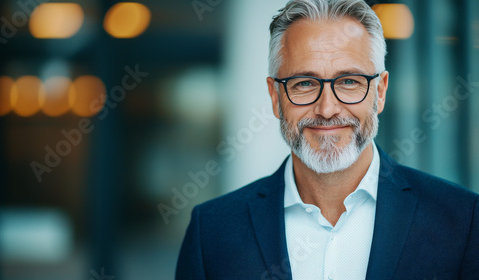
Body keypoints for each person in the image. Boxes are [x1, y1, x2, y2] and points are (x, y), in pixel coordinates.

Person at [176, 0, 479, 279]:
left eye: (349, 82)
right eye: (305, 83)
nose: (327, 109)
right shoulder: (213, 231)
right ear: (275, 96)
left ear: (381, 91)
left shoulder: (462, 221)